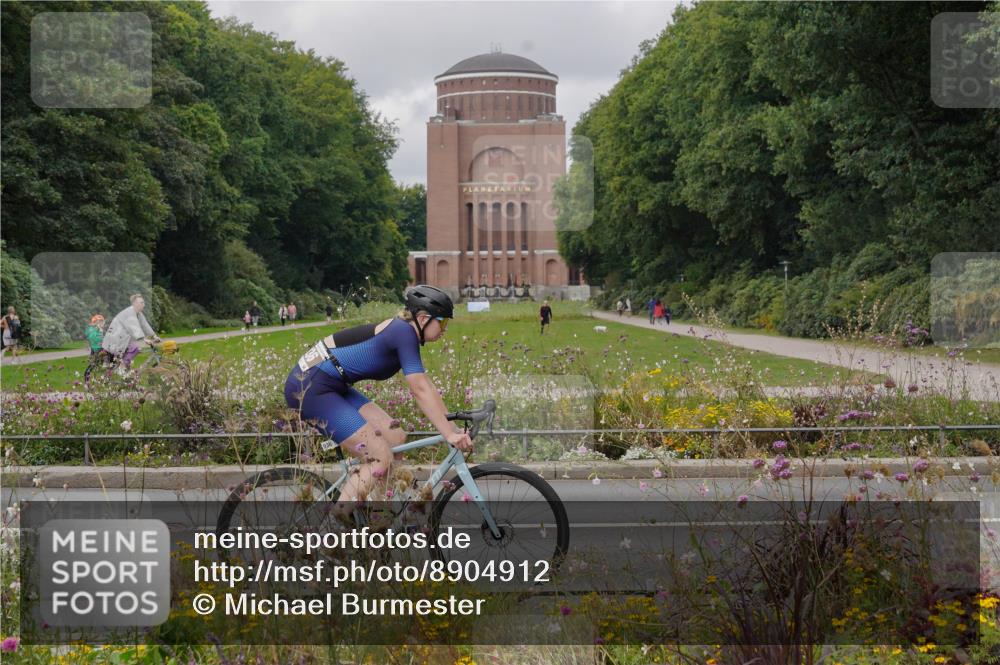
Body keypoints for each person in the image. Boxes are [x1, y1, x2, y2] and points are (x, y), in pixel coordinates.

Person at [284, 285, 470, 506]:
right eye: (443, 322)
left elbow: (426, 386)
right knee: (379, 457)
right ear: (422, 319)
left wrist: (452, 427)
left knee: (395, 437)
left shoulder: (405, 332)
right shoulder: (403, 333)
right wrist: (448, 435)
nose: (445, 329)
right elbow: (418, 390)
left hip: (332, 384)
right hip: (310, 387)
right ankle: (336, 528)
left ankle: (380, 514)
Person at [101, 294, 159, 370]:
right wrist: (144, 339)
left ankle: (124, 367)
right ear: (135, 303)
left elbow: (145, 324)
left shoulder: (138, 313)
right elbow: (134, 327)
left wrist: (154, 336)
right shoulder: (129, 313)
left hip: (122, 338)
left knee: (133, 349)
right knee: (134, 348)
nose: (144, 305)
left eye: (143, 303)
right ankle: (122, 368)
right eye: (141, 303)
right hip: (116, 338)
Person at [84, 314, 108, 384]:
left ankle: (105, 374)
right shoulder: (92, 330)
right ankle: (87, 380)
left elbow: (104, 338)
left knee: (97, 364)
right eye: (99, 322)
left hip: (101, 349)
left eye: (102, 322)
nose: (101, 324)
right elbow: (91, 337)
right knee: (93, 364)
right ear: (95, 323)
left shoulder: (101, 330)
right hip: (96, 350)